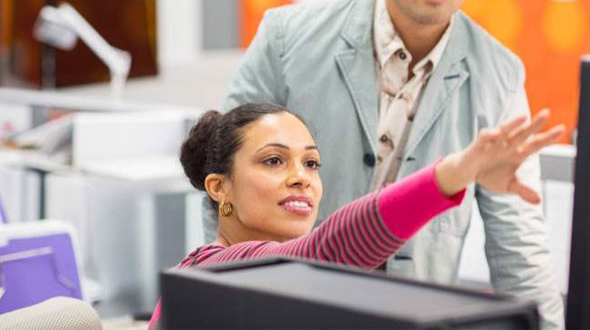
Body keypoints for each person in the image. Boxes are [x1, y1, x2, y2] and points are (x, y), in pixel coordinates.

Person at [218, 0, 565, 328]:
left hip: (410, 315)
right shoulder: (287, 40)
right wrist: (222, 304)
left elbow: (518, 243)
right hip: (289, 306)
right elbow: (222, 182)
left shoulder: (498, 74)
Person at [152, 102, 563, 328]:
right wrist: (451, 175)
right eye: (274, 161)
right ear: (219, 187)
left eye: (311, 164)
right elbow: (327, 249)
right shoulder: (214, 271)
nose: (302, 179)